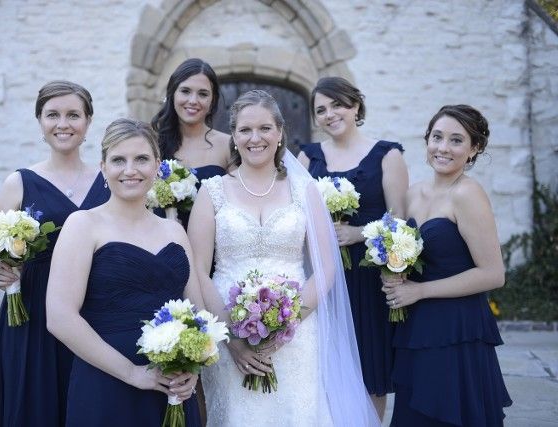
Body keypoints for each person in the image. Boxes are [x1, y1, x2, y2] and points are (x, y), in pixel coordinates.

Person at [188, 90, 380, 426]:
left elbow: (325, 268)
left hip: (298, 334)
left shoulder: (305, 190)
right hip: (227, 327)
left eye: (264, 128)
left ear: (279, 133)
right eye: (245, 130)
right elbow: (198, 271)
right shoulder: (212, 191)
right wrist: (231, 339)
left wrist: (284, 326)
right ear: (233, 136)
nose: (255, 138)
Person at [46, 118, 204, 426]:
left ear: (157, 165)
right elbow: (60, 317)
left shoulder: (174, 231)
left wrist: (192, 366)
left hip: (171, 385)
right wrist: (133, 373)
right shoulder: (83, 225)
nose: (130, 170)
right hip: (106, 385)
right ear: (103, 167)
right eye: (119, 160)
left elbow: (197, 312)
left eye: (141, 159)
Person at [0, 81, 110, 427]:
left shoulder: (109, 179)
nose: (62, 124)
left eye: (73, 115)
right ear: (40, 121)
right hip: (34, 311)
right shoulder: (18, 183)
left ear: (88, 122)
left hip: (97, 307)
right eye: (52, 115)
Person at [381, 105, 512, 426]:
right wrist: (391, 274)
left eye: (456, 140)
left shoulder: (468, 194)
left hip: (456, 330)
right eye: (437, 137)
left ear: (474, 149)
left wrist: (420, 291)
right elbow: (397, 251)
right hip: (414, 327)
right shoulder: (412, 194)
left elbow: (494, 274)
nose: (443, 147)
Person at [298, 76, 408, 419]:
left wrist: (358, 234)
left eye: (337, 105)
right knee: (323, 367)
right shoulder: (307, 157)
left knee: (369, 369)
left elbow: (399, 221)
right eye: (321, 110)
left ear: (355, 106)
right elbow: (289, 213)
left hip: (367, 279)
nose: (330, 114)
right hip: (321, 277)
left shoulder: (387, 155)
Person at [151, 58, 231, 228]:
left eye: (203, 94)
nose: (193, 100)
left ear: (212, 101)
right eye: (185, 91)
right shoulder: (152, 145)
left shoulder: (228, 145)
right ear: (172, 94)